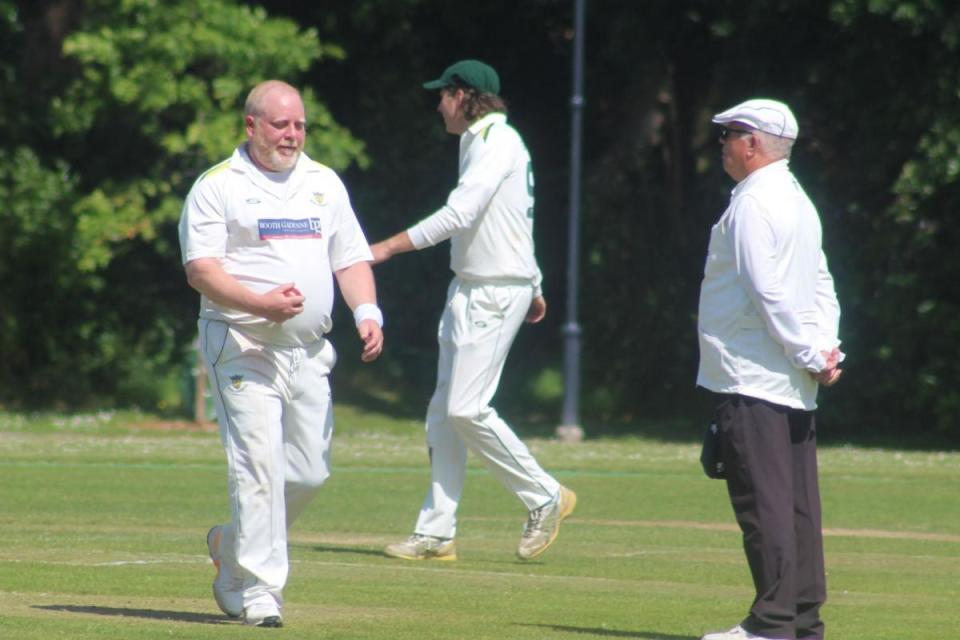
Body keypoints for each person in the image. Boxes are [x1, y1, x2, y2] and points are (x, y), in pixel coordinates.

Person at [177, 80, 383, 627]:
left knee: (310, 474)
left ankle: (230, 541)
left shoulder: (323, 183)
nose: (291, 135)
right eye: (280, 125)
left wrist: (367, 313)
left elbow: (351, 257)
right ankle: (262, 592)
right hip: (242, 343)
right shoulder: (217, 186)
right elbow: (201, 270)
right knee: (259, 469)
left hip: (308, 350)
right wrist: (258, 303)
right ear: (251, 126)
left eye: (298, 125)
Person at [370, 59, 575, 562]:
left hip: (494, 291)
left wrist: (386, 248)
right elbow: (511, 217)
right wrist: (537, 281)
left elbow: (460, 213)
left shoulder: (496, 141)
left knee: (466, 408)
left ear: (463, 95)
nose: (438, 104)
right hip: (471, 287)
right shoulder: (478, 141)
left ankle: (543, 494)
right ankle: (436, 533)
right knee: (443, 413)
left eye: (443, 95)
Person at [696, 99, 843, 640]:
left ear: (752, 142)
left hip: (752, 374)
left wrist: (811, 353)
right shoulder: (799, 201)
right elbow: (822, 283)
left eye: (729, 133)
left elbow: (767, 291)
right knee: (798, 505)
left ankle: (771, 623)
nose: (722, 143)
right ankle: (803, 619)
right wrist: (827, 351)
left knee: (765, 504)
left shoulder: (755, 204)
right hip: (791, 377)